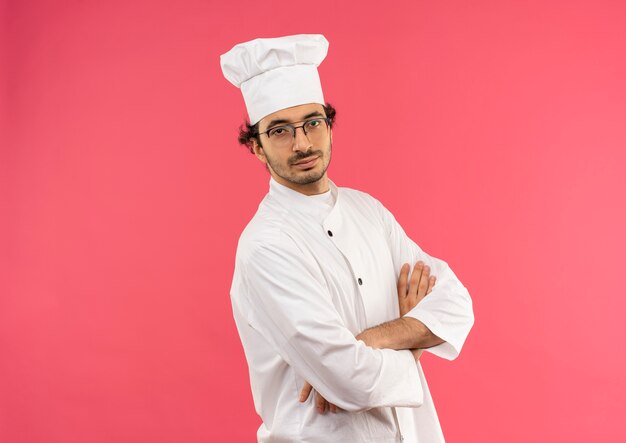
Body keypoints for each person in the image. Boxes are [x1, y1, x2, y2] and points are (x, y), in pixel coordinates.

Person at [221, 34, 474, 443]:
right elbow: (348, 378)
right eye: (281, 130)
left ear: (329, 125)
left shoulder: (367, 211)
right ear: (256, 146)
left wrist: (372, 340)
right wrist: (416, 335)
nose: (302, 143)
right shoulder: (266, 246)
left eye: (312, 123)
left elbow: (457, 304)